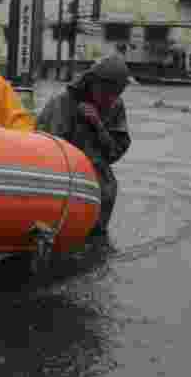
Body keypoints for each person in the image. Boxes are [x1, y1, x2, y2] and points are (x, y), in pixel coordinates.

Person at [35, 54, 132, 245]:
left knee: (107, 192)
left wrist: (97, 124)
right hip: (60, 173)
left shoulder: (116, 105)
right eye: (107, 93)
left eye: (117, 93)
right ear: (93, 84)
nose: (111, 99)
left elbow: (114, 153)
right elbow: (46, 149)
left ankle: (97, 239)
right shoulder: (63, 102)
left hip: (96, 174)